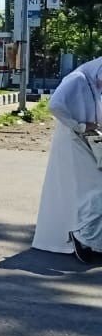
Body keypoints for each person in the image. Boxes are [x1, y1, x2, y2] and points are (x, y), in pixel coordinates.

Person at [33, 57, 102, 259]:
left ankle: (89, 239)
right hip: (72, 142)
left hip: (85, 141)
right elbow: (55, 105)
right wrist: (79, 125)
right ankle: (81, 237)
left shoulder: (92, 81)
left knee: (83, 191)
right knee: (94, 190)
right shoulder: (77, 79)